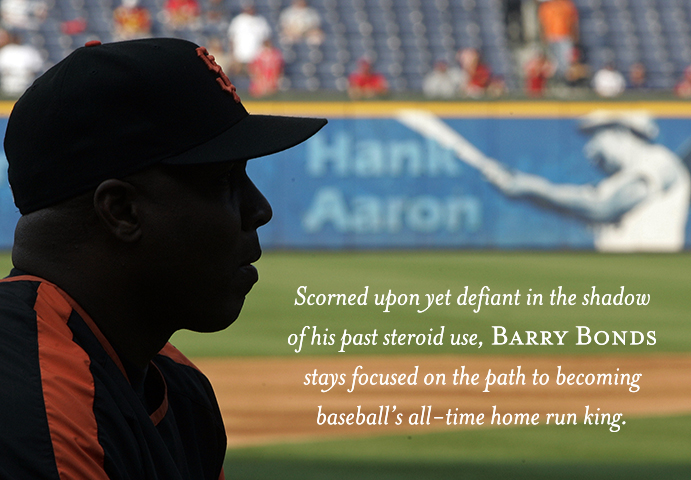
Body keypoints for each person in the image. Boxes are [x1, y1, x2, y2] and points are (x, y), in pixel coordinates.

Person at [0, 37, 326, 478]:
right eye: (223, 180)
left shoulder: (178, 386)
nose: (260, 209)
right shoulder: (30, 405)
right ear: (122, 211)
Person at [482, 110, 690, 252]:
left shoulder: (660, 161)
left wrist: (533, 188)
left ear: (619, 133)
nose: (589, 150)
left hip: (651, 272)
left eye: (596, 137)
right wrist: (523, 187)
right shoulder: (614, 182)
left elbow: (602, 208)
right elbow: (576, 207)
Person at [537, 0, 579, 82]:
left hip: (565, 36)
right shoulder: (546, 6)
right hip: (551, 37)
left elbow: (573, 21)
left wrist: (574, 35)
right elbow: (542, 23)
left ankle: (565, 82)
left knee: (565, 62)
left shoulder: (567, 4)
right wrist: (543, 37)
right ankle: (555, 82)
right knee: (552, 63)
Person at [227, 4, 272, 74]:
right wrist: (232, 56)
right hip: (239, 58)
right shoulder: (238, 20)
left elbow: (266, 40)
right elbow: (231, 40)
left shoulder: (260, 21)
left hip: (256, 59)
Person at [0, 31, 43, 97]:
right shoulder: (5, 51)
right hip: (8, 85)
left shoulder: (28, 51)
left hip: (25, 84)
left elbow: (36, 67)